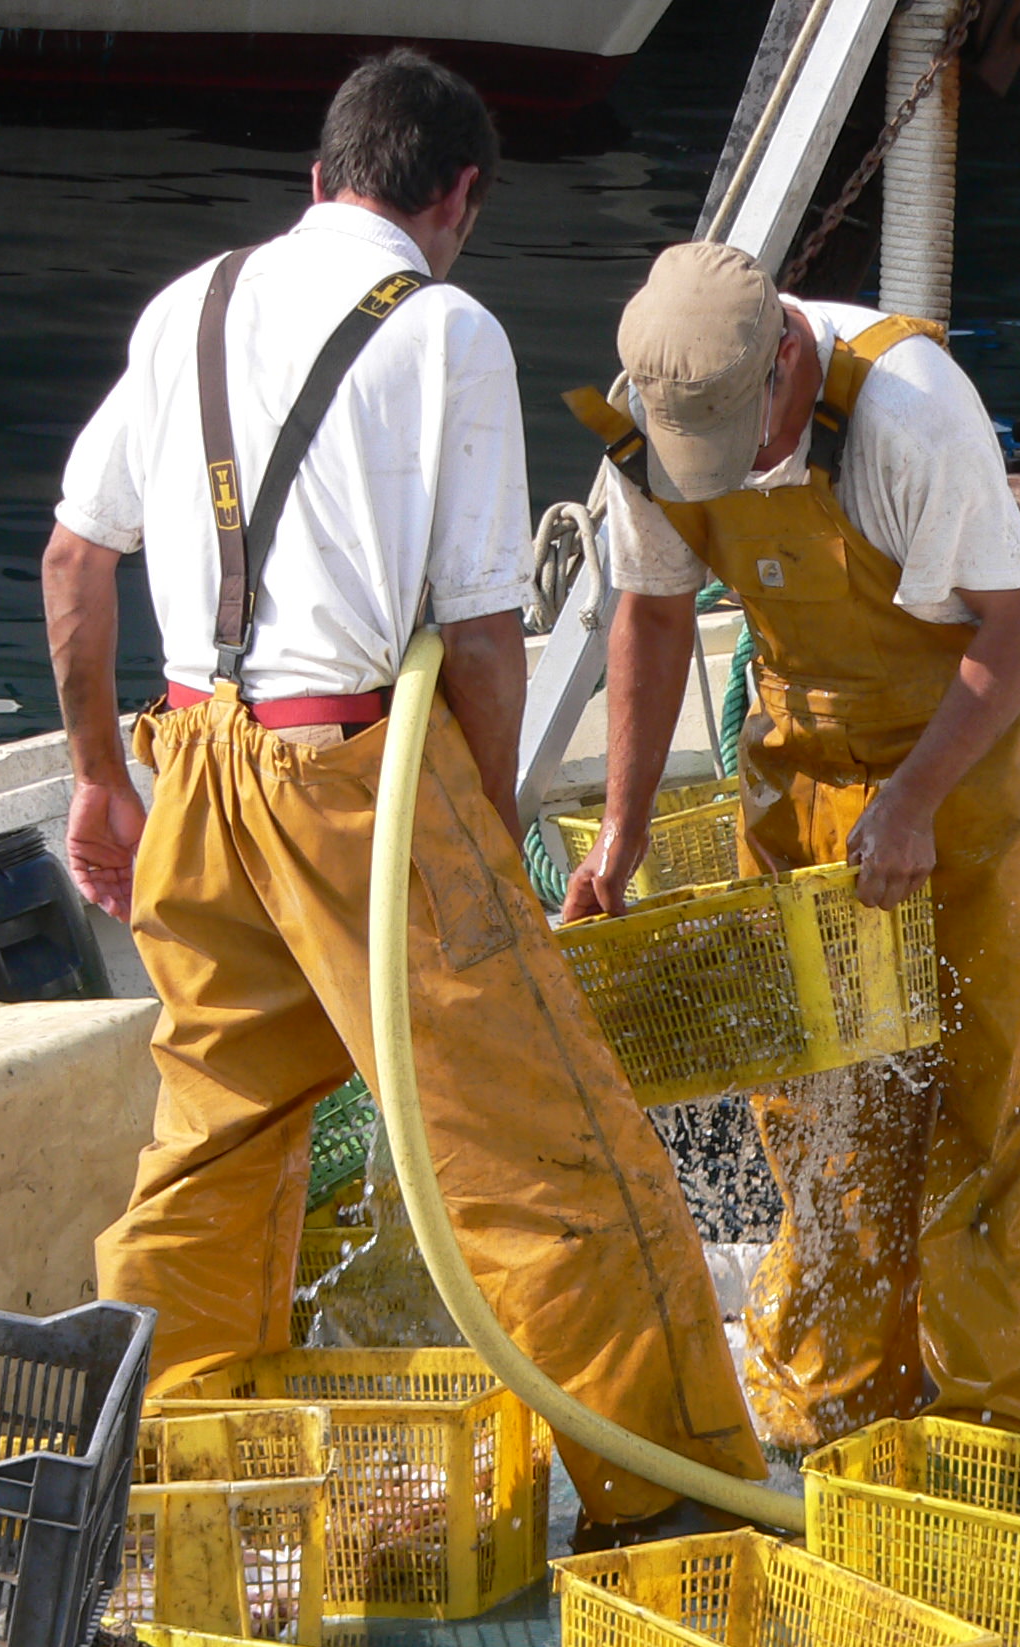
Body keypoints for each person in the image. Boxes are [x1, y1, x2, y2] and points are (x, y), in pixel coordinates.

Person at [42, 53, 764, 1530]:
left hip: (192, 765)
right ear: (461, 198)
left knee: (213, 1151)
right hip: (352, 785)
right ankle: (676, 1509)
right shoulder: (446, 330)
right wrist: (484, 846)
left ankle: (157, 1493)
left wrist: (100, 782)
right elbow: (484, 644)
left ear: (319, 179)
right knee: (552, 1158)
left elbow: (73, 563)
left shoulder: (188, 306)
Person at [561, 242, 1020, 1450]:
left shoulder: (908, 412)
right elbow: (652, 612)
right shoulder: (656, 411)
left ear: (785, 361)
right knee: (817, 1101)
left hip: (979, 759)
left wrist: (911, 802)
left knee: (995, 1093)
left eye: (740, 441)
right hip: (803, 754)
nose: (724, 470)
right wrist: (622, 834)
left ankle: (986, 1428)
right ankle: (833, 1410)